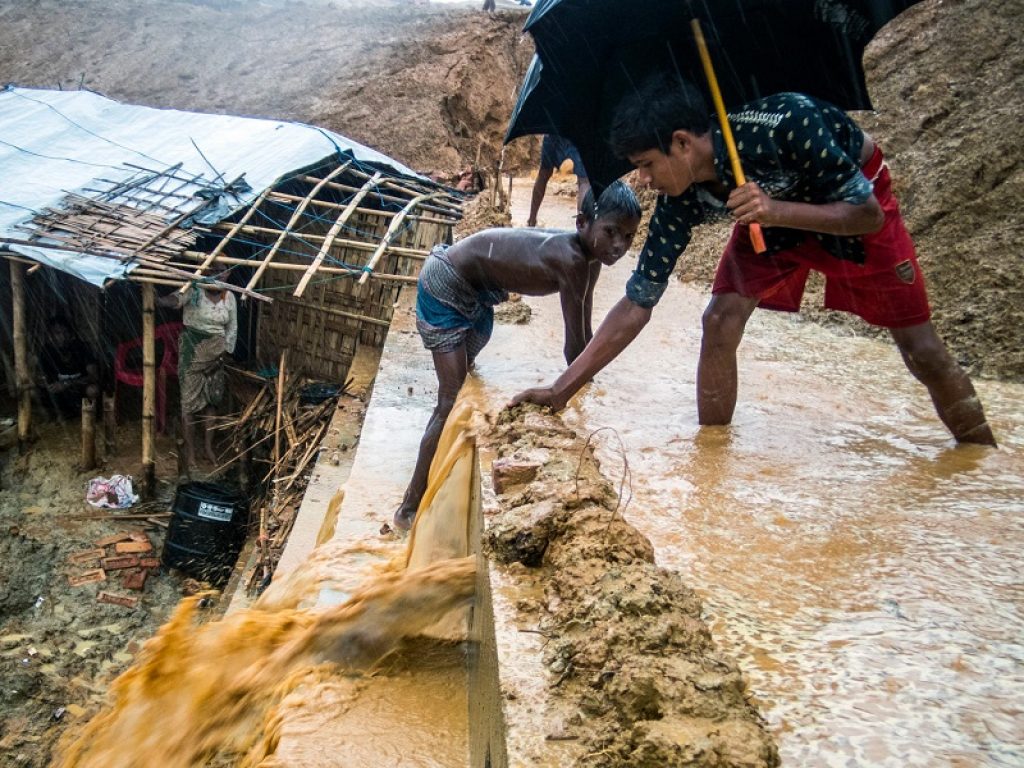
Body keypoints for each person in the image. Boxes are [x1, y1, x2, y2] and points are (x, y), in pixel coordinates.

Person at [512, 73, 996, 447]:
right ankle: (713, 454)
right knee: (719, 319)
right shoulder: (679, 201)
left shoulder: (789, 122)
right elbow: (638, 302)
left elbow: (867, 214)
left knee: (920, 347)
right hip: (769, 220)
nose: (643, 180)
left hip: (844, 209)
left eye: (646, 165)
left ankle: (983, 463)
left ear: (682, 142)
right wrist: (561, 390)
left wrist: (775, 208)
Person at [394, 180, 642, 531]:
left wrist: (590, 377)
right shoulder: (571, 260)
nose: (619, 245)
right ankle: (408, 506)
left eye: (629, 237)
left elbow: (585, 336)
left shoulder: (591, 260)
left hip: (480, 292)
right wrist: (597, 402)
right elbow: (574, 349)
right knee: (450, 398)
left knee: (468, 379)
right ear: (581, 224)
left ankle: (445, 471)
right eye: (611, 232)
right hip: (446, 282)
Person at [158, 274, 238, 470]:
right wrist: (158, 300)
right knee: (189, 404)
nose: (219, 275)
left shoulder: (230, 297)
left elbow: (232, 328)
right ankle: (191, 452)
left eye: (223, 270)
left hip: (217, 355)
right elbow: (175, 300)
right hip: (193, 353)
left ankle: (209, 448)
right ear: (206, 272)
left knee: (212, 401)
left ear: (228, 273)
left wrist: (224, 355)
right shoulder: (193, 290)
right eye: (214, 270)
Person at [38, 317, 99, 419]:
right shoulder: (46, 351)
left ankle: (89, 414)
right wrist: (45, 382)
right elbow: (40, 376)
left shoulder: (82, 347)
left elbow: (94, 376)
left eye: (65, 332)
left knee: (93, 390)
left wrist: (67, 383)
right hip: (59, 392)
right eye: (57, 333)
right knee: (32, 391)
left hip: (78, 390)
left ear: (71, 334)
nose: (62, 337)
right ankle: (59, 413)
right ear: (50, 336)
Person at [526, 135, 592, 227]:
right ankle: (581, 226)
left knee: (543, 174)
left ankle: (531, 220)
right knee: (584, 181)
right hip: (578, 133)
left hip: (553, 131)